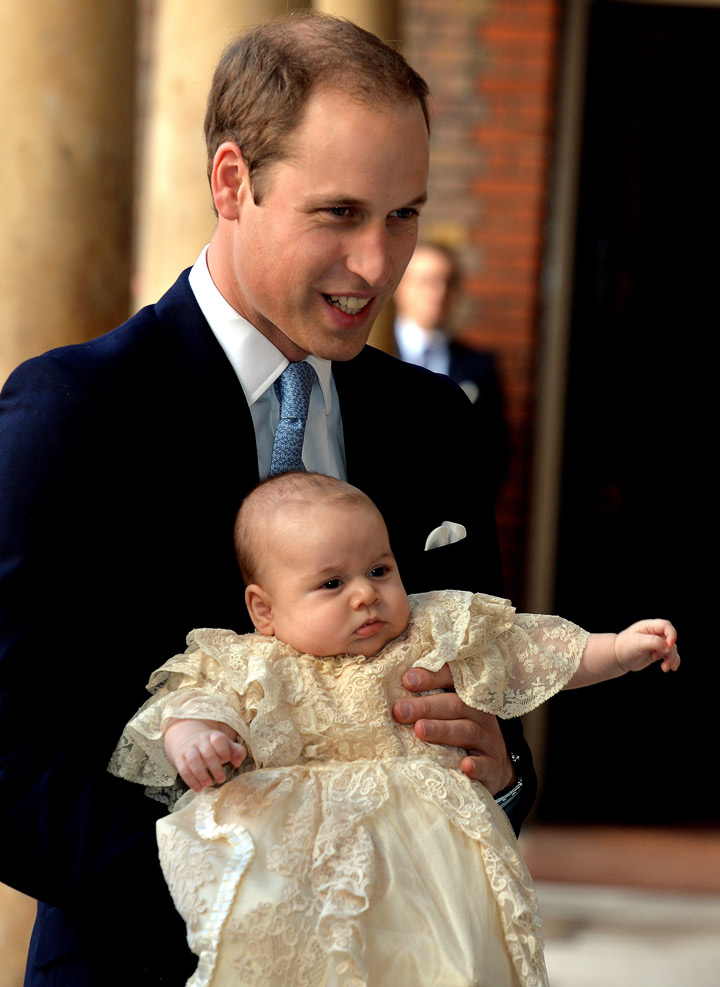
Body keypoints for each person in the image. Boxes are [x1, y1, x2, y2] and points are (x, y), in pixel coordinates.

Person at [0, 12, 530, 985]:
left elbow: (484, 706)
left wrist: (497, 775)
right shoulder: (71, 413)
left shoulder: (431, 423)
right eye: (340, 214)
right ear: (232, 182)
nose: (380, 265)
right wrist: (252, 894)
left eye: (404, 214)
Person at [111, 472, 680, 987]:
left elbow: (529, 650)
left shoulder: (430, 630)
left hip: (435, 867)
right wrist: (196, 738)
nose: (366, 594)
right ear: (264, 610)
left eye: (379, 570)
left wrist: (617, 650)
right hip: (308, 875)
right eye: (331, 584)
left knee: (451, 965)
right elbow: (191, 699)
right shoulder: (255, 662)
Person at [394, 241, 508, 490]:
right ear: (399, 286)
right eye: (427, 281)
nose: (439, 292)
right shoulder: (364, 355)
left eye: (449, 282)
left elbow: (494, 450)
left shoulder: (479, 366)